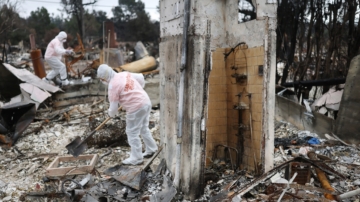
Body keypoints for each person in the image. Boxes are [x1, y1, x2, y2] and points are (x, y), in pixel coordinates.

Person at [97, 64, 158, 165]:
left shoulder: (112, 85)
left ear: (104, 78)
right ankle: (152, 148)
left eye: (101, 79)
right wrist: (136, 90)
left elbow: (113, 109)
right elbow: (141, 77)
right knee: (143, 128)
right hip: (145, 102)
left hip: (136, 108)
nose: (102, 81)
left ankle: (137, 158)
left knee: (132, 132)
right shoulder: (124, 74)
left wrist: (111, 114)